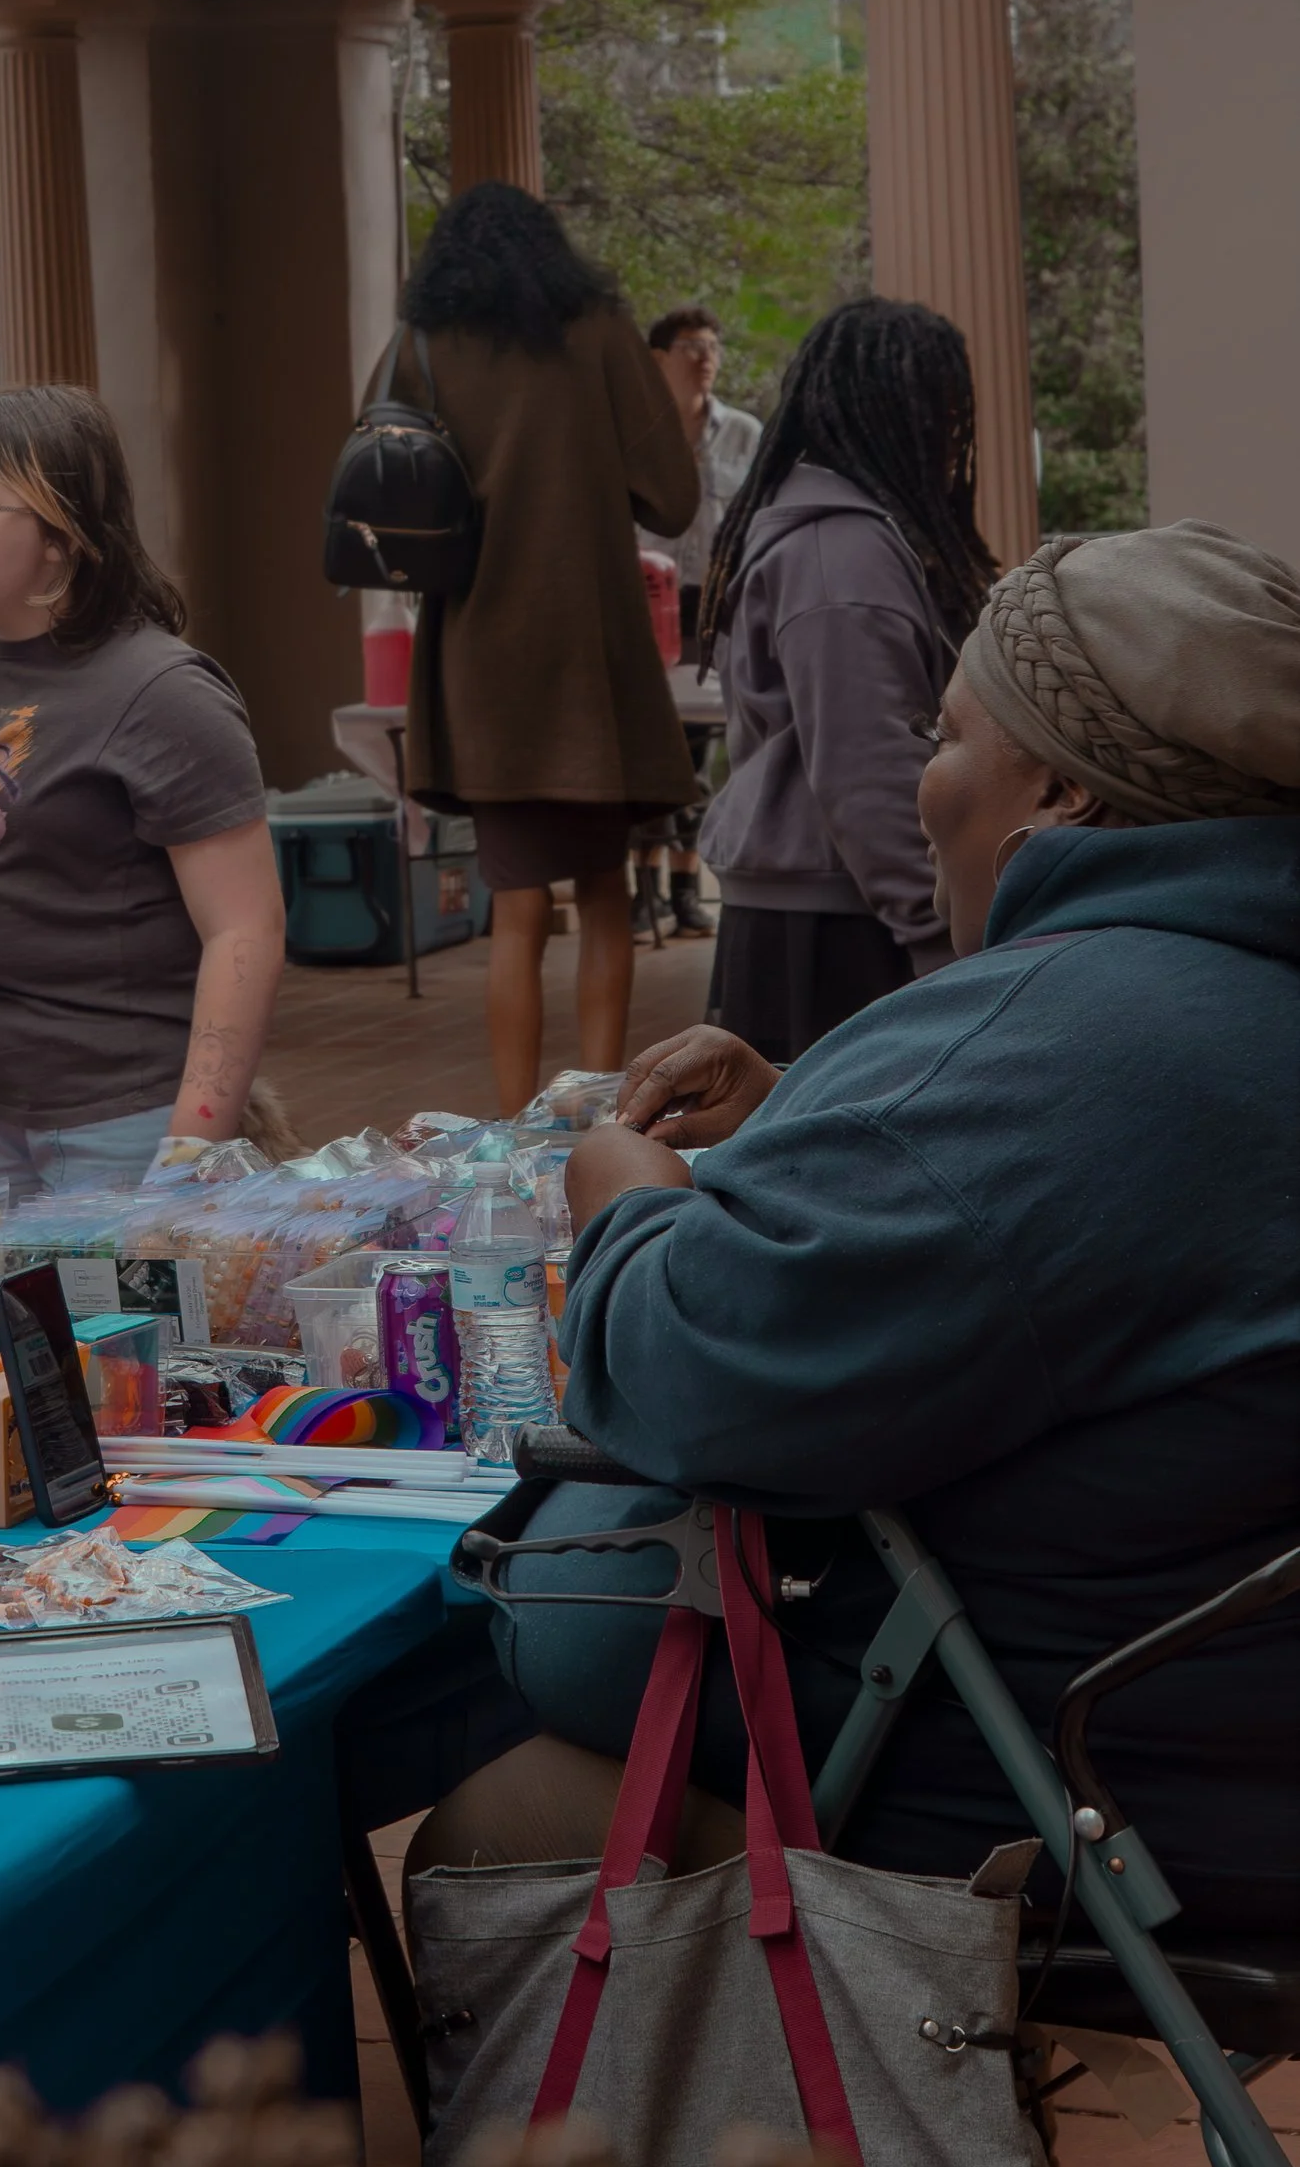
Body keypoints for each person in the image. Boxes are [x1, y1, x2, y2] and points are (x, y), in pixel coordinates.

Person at [410, 520, 1300, 1934]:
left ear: (1060, 785)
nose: (921, 781)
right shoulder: (1217, 995)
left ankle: (842, 2130)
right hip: (1217, 1728)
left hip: (1102, 1783)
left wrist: (623, 1187)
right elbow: (1029, 1234)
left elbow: (696, 1367)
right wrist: (805, 1127)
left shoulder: (1074, 1038)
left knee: (497, 1808)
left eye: (945, 737)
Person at [0, 383, 284, 1200]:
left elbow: (245, 929)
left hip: (125, 1121)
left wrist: (194, 1145)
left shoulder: (163, 693)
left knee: (117, 1335)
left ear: (61, 534)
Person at [399, 182, 699, 1114]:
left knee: (519, 906)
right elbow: (674, 497)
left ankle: (513, 1122)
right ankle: (607, 1109)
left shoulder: (422, 341)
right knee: (605, 892)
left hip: (478, 654)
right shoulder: (598, 324)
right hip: (587, 655)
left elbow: (388, 485)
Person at [693, 298, 995, 1061]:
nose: (954, 434)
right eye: (946, 411)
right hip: (836, 932)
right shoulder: (840, 555)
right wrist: (944, 947)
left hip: (838, 910)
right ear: (899, 411)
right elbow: (871, 774)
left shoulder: (846, 535)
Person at [632, 305, 763, 942]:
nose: (705, 356)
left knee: (701, 750)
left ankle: (687, 891)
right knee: (649, 748)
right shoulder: (628, 436)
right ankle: (643, 891)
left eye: (712, 345)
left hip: (717, 607)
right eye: (689, 345)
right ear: (658, 359)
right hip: (644, 604)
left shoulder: (745, 434)